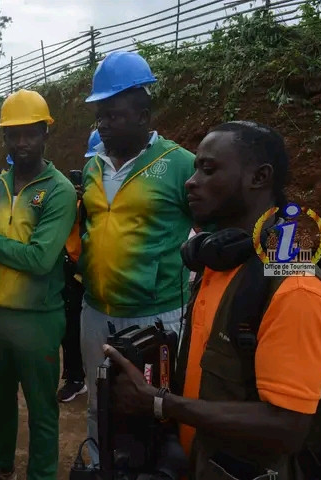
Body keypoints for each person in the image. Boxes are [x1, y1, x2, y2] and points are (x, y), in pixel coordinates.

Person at [105, 121, 321, 480]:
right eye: (195, 168)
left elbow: (288, 427)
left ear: (259, 177)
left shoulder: (296, 289)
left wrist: (160, 403)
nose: (191, 181)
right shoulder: (221, 261)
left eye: (209, 169)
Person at [78, 51, 196, 464]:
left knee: (154, 410)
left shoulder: (179, 165)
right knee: (99, 401)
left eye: (114, 115)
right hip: (96, 312)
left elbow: (212, 229)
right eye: (100, 116)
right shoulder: (93, 166)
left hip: (155, 318)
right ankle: (100, 466)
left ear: (144, 115)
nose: (104, 124)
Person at [0, 89, 77, 480]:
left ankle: (41, 474)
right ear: (4, 137)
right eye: (13, 134)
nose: (22, 142)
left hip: (38, 318)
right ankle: (0, 464)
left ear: (45, 133)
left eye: (30, 133)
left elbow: (41, 260)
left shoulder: (58, 190)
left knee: (42, 407)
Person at [57, 129, 101, 403]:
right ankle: (75, 378)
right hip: (74, 269)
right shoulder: (78, 197)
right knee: (70, 327)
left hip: (104, 272)